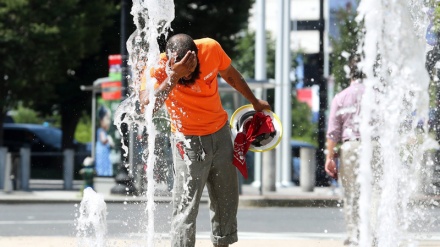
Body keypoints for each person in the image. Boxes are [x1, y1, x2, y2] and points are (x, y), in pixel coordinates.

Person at [139, 33, 271, 247]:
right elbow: (146, 106)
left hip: (220, 136)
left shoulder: (211, 48)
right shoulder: (158, 66)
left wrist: (254, 101)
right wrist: (174, 76)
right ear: (172, 62)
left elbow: (230, 75)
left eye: (192, 69)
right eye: (184, 71)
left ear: (197, 56)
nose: (189, 76)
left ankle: (223, 243)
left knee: (226, 201)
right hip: (187, 142)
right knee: (186, 207)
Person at [324, 56, 365, 246]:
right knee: (375, 190)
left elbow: (333, 132)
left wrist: (330, 157)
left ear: (350, 73)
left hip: (351, 146)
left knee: (351, 193)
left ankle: (354, 235)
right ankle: (373, 234)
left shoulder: (341, 97)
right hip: (375, 146)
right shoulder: (378, 94)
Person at [95, 105, 114, 176]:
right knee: (103, 170)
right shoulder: (101, 131)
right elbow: (103, 140)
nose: (109, 122)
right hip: (102, 158)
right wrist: (108, 139)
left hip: (105, 157)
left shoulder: (104, 132)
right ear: (101, 120)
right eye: (107, 119)